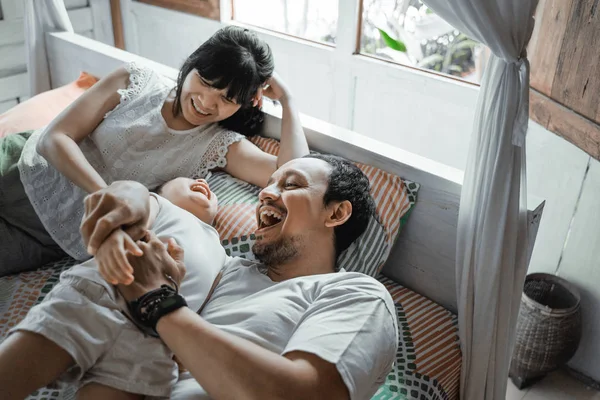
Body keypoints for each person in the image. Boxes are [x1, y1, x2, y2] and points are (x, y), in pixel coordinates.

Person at [0, 155, 398, 400]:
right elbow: (147, 203)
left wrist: (157, 299)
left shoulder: (356, 294)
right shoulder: (221, 263)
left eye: (290, 185)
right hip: (129, 382)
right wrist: (126, 200)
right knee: (182, 241)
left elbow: (305, 394)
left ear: (336, 213)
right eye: (268, 184)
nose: (266, 193)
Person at [0, 25, 309, 275]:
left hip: (52, 236)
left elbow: (295, 175)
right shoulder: (136, 80)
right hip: (16, 166)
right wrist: (110, 195)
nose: (207, 101)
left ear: (243, 104)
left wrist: (289, 101)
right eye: (204, 81)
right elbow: (54, 138)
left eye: (227, 99)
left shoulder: (218, 144)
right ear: (191, 65)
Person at [0, 176, 226, 399]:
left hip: (151, 342)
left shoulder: (224, 256)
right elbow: (130, 201)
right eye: (188, 180)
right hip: (101, 296)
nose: (203, 183)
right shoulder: (161, 206)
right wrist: (122, 220)